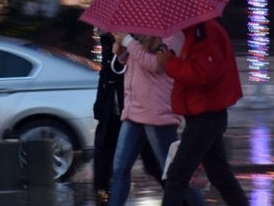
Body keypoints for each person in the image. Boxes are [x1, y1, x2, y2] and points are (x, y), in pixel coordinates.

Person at [107, 32, 207, 206]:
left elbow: (156, 65)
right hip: (133, 111)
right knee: (120, 168)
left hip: (157, 113)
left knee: (175, 173)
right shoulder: (143, 33)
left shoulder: (174, 36)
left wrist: (130, 43)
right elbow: (131, 61)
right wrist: (121, 48)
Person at [156, 19, 249, 206]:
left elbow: (205, 73)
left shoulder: (204, 32)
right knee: (220, 175)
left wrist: (170, 63)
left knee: (177, 175)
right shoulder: (194, 32)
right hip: (202, 115)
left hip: (205, 116)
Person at [93, 32, 167, 205]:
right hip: (116, 108)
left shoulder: (149, 34)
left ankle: (184, 199)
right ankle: (103, 201)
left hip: (142, 108)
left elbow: (152, 64)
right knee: (111, 167)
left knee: (158, 166)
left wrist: (129, 41)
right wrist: (119, 43)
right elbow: (114, 63)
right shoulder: (113, 34)